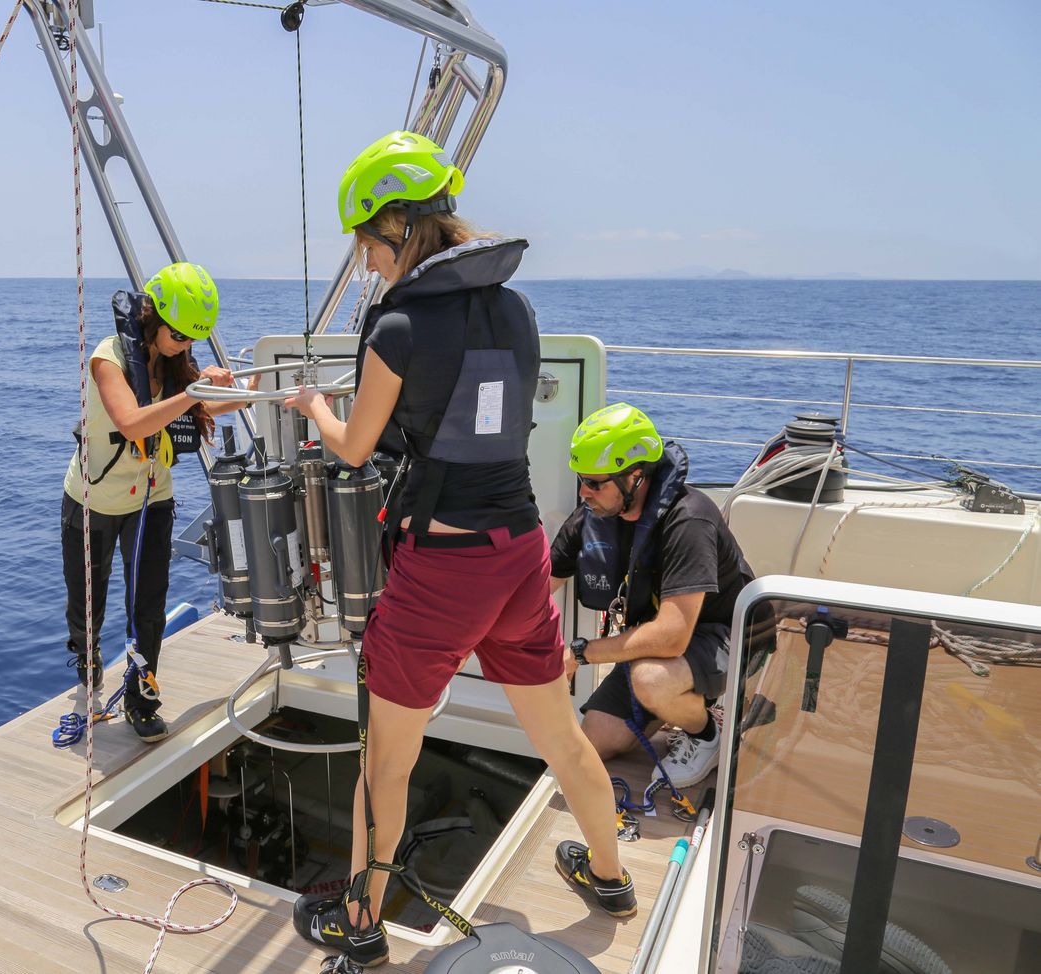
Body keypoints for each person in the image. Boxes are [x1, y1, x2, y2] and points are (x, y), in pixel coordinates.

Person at [286, 132, 635, 969]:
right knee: (562, 737)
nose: (366, 263)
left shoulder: (397, 326)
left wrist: (310, 405)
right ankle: (612, 876)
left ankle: (361, 925)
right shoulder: (516, 309)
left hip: (444, 569)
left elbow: (356, 448)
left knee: (387, 763)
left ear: (399, 227)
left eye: (368, 245)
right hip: (517, 555)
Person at [61, 262, 255, 743]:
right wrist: (192, 393)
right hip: (94, 499)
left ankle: (141, 697)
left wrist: (251, 393)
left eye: (194, 340)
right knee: (88, 600)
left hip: (153, 497)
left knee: (148, 602)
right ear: (154, 318)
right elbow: (132, 423)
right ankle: (88, 663)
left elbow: (202, 406)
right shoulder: (108, 359)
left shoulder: (175, 364)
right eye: (179, 336)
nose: (185, 346)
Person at [551, 402, 755, 788]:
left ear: (636, 477)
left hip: (726, 635)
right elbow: (543, 583)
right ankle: (679, 700)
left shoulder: (688, 519)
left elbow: (672, 636)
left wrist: (579, 653)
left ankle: (706, 733)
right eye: (581, 479)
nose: (584, 492)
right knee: (596, 738)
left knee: (651, 679)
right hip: (657, 643)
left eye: (595, 483)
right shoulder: (591, 518)